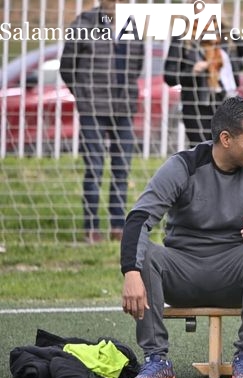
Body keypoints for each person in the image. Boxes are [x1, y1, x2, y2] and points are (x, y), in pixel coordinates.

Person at [120, 97, 243, 378]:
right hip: (182, 274)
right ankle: (157, 361)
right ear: (226, 139)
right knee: (145, 254)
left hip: (235, 278)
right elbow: (138, 220)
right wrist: (130, 272)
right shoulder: (183, 165)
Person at [60, 0, 144, 243]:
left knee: (121, 168)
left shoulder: (133, 26)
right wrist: (83, 93)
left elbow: (137, 65)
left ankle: (118, 225)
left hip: (124, 107)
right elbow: (68, 67)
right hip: (92, 108)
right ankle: (91, 227)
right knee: (94, 168)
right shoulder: (84, 23)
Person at [164, 23, 243, 147]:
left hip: (225, 103)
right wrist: (192, 72)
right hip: (196, 106)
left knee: (226, 150)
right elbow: (169, 76)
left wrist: (229, 68)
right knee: (202, 151)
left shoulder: (225, 32)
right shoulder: (183, 36)